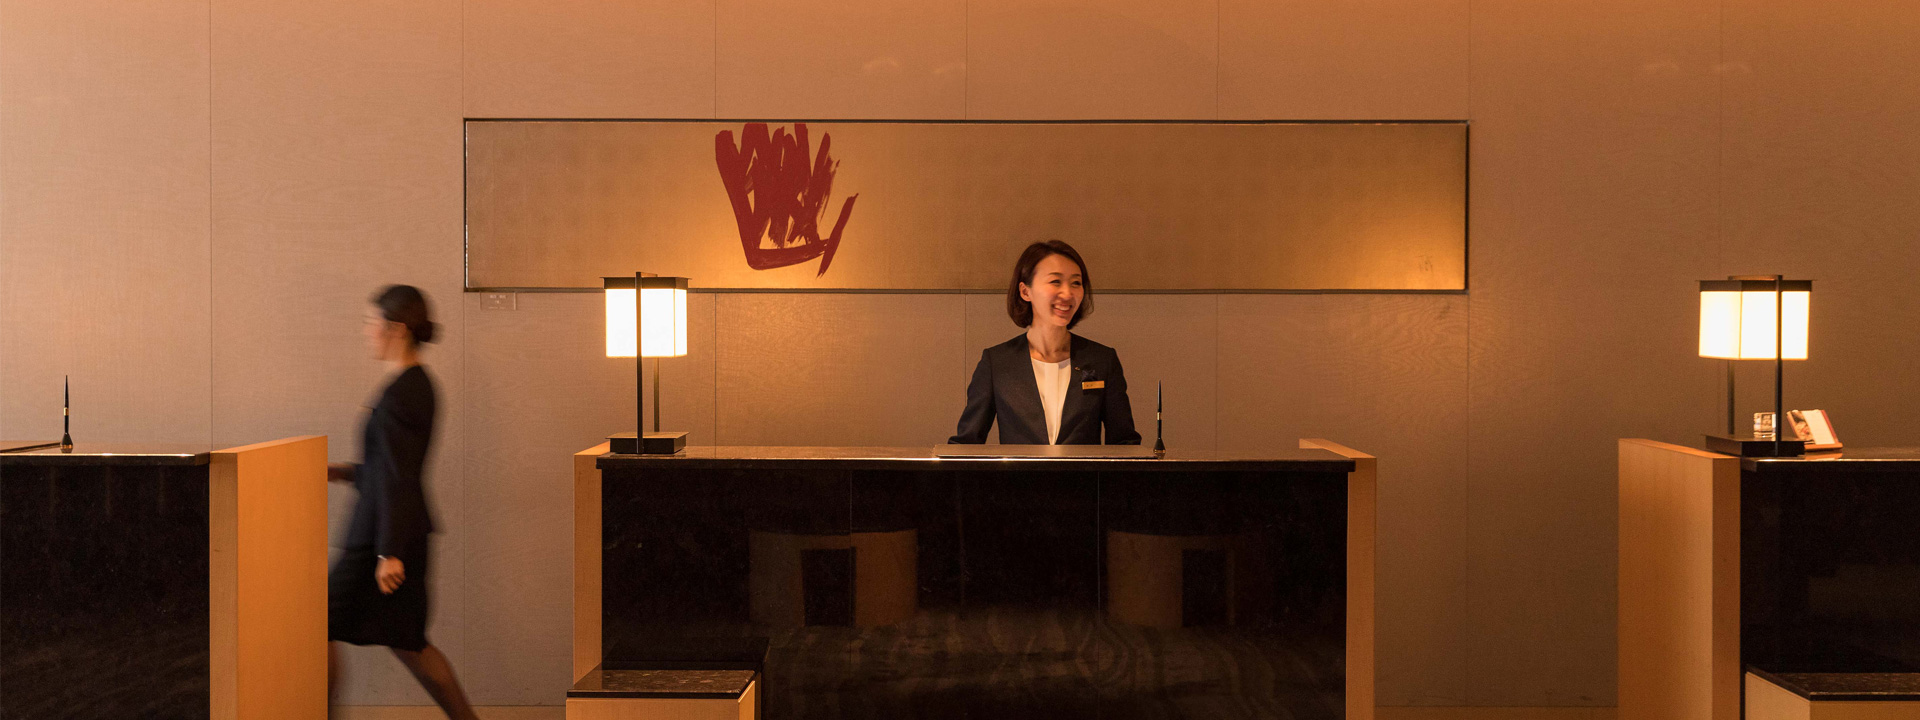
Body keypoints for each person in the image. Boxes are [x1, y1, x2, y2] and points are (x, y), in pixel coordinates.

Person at [325, 285, 477, 720]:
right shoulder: (412, 386)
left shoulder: (404, 392)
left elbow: (398, 475)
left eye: (371, 323)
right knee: (409, 643)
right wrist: (345, 472)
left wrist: (388, 552)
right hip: (389, 534)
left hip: (381, 540)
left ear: (396, 329)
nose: (366, 331)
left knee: (319, 625)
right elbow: (389, 468)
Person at [950, 240, 1141, 445]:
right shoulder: (997, 363)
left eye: (1076, 283)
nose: (1067, 293)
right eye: (1055, 281)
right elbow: (965, 446)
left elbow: (1124, 444)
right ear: (1025, 291)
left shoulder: (1102, 360)